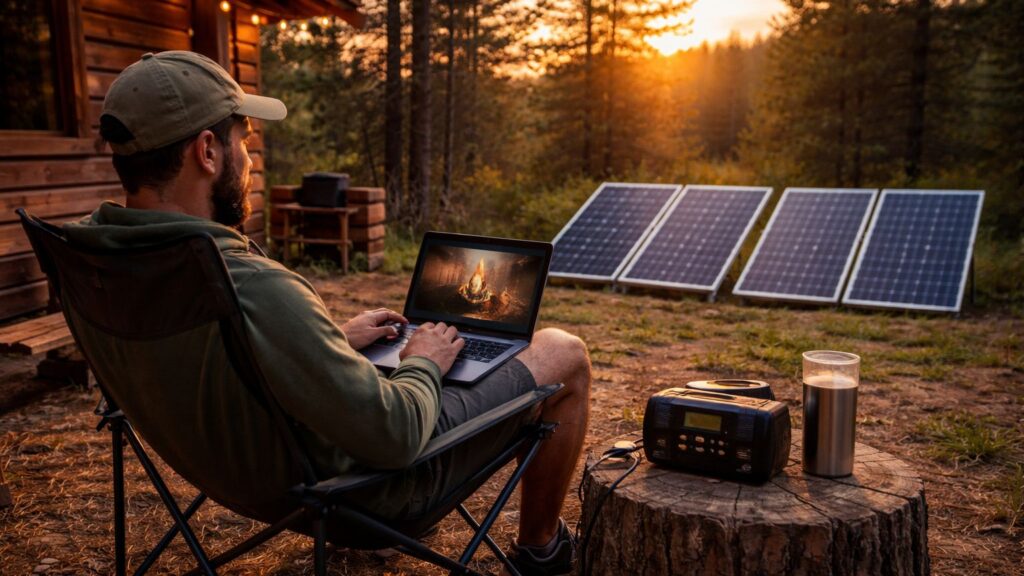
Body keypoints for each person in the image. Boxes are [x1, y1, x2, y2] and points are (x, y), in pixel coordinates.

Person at [68, 50, 591, 576]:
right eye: (244, 141)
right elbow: (396, 435)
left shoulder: (95, 259)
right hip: (359, 497)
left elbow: (212, 357)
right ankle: (542, 551)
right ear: (207, 151)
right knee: (562, 351)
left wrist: (328, 342)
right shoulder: (254, 285)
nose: (248, 160)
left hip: (236, 479)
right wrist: (424, 361)